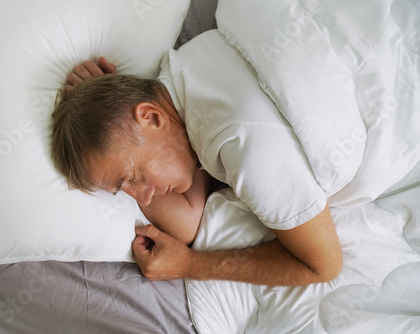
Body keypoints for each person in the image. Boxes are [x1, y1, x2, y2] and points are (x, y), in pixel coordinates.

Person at [51, 56, 343, 286]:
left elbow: (322, 265)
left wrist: (191, 266)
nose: (145, 199)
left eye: (132, 178)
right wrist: (104, 105)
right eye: (124, 191)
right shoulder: (185, 71)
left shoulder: (246, 145)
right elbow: (186, 222)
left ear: (151, 117)